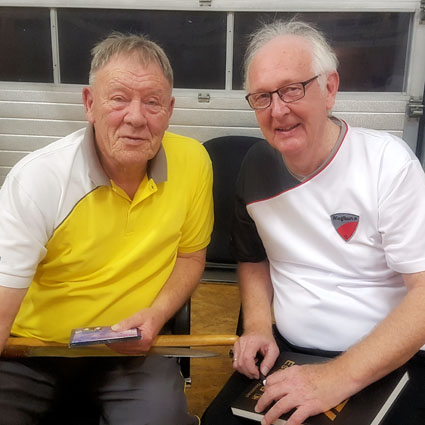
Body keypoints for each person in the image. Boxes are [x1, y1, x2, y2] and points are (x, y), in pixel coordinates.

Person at [202, 20, 425, 425]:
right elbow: (252, 257)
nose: (278, 110)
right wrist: (257, 326)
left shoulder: (388, 165)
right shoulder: (255, 167)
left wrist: (337, 377)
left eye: (292, 89)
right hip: (289, 354)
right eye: (263, 97)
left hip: (388, 359)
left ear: (330, 89)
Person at [0, 32, 213, 425]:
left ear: (169, 110)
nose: (136, 117)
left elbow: (190, 256)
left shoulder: (194, 162)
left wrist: (157, 314)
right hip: (32, 351)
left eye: (152, 102)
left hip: (131, 355)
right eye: (118, 98)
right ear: (89, 104)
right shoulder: (38, 179)